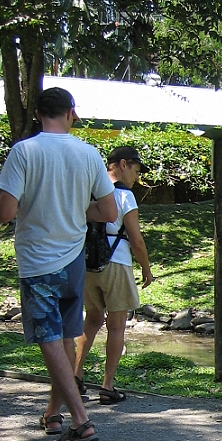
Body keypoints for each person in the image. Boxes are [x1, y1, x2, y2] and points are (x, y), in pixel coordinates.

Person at [0, 87, 117, 441]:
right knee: (65, 338)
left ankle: (81, 420)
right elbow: (109, 213)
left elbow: (5, 212)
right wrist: (78, 209)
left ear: (37, 114)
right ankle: (53, 413)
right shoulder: (89, 152)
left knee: (48, 339)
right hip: (74, 261)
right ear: (70, 114)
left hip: (38, 262)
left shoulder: (24, 152)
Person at [73, 145, 153, 404]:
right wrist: (146, 268)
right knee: (116, 325)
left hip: (86, 264)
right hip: (116, 263)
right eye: (135, 170)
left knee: (92, 319)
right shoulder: (124, 196)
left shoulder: (89, 190)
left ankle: (75, 377)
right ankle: (107, 386)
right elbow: (136, 240)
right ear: (122, 164)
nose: (136, 177)